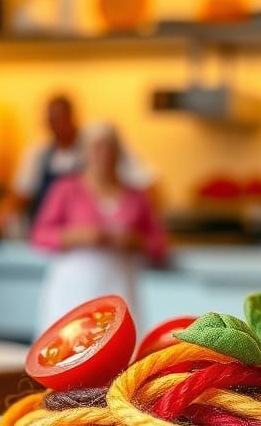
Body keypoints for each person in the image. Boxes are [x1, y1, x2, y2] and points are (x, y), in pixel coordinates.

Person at [30, 122, 168, 333]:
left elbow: (160, 244)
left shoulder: (136, 196)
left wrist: (135, 241)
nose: (103, 154)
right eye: (96, 147)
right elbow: (39, 235)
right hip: (74, 290)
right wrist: (77, 237)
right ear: (84, 152)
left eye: (109, 147)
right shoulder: (65, 190)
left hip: (120, 285)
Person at [0, 93, 154, 236]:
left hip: (96, 240)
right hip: (53, 241)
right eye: (51, 120)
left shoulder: (100, 147)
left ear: (73, 117)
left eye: (60, 118)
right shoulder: (38, 155)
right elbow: (21, 193)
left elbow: (147, 184)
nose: (56, 125)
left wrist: (139, 226)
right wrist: (1, 210)